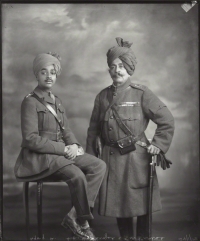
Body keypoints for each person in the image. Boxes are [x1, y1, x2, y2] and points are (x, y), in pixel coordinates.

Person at [86, 38, 175, 239]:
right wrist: (90, 162)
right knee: (119, 204)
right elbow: (93, 131)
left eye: (121, 66)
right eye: (112, 66)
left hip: (137, 159)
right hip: (112, 159)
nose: (117, 70)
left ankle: (144, 238)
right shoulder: (102, 97)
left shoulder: (142, 93)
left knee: (142, 203)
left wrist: (158, 145)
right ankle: (126, 239)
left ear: (129, 68)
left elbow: (167, 120)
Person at [14, 52, 106, 240]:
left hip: (59, 155)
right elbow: (31, 139)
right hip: (39, 158)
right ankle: (83, 222)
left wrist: (73, 145)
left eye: (53, 73)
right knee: (77, 174)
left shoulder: (57, 101)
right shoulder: (29, 102)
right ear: (36, 75)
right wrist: (64, 149)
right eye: (44, 72)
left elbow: (66, 130)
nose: (49, 76)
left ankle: (73, 216)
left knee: (99, 165)